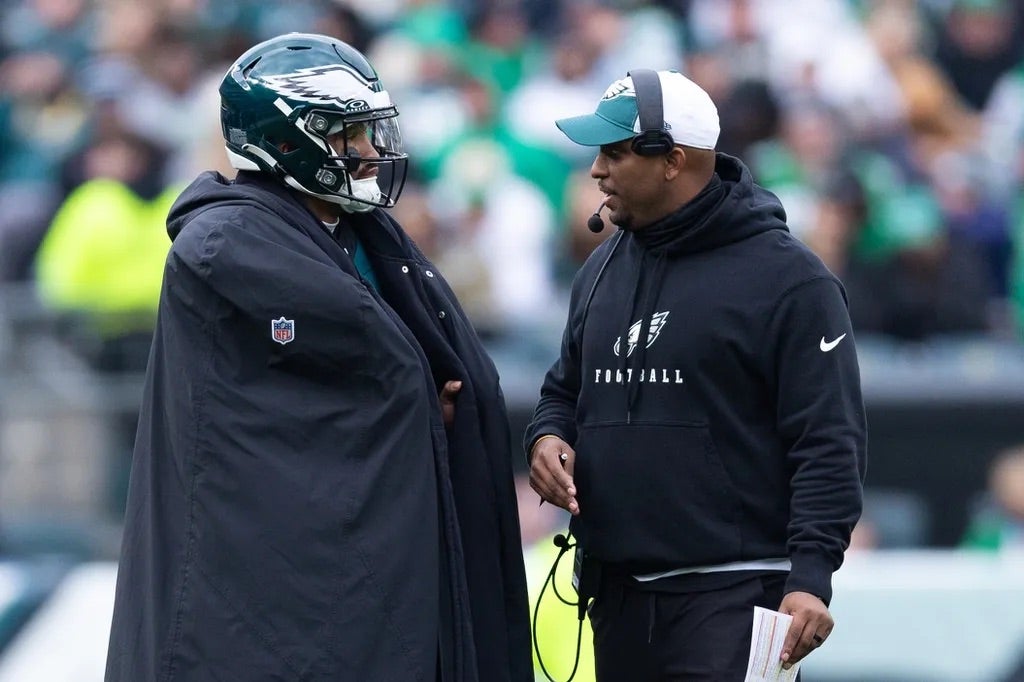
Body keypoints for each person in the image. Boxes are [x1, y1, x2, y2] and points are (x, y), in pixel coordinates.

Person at [104, 33, 532, 682]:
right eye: (347, 135)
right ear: (284, 139)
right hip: (264, 583)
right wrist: (418, 397)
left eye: (367, 133)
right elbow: (368, 370)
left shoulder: (363, 233)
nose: (367, 153)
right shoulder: (226, 240)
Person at [524, 69, 867, 680]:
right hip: (618, 595)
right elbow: (564, 390)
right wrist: (547, 439)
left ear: (673, 160)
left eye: (614, 153)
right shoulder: (601, 268)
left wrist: (812, 575)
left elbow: (827, 440)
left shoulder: (790, 280)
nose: (597, 172)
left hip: (737, 597)